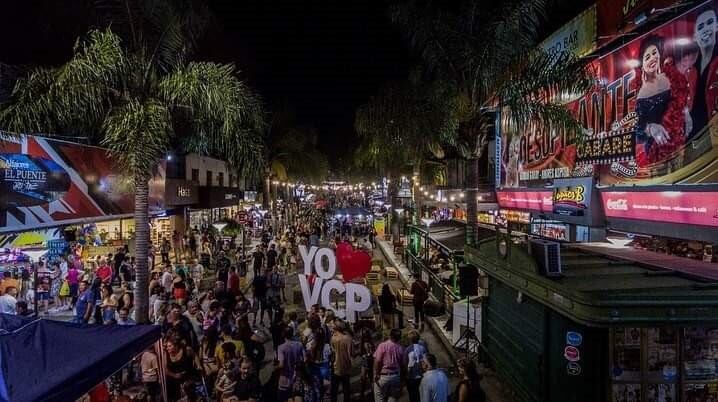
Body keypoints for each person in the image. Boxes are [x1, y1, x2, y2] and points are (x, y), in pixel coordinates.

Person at [633, 34, 689, 166]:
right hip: (655, 152)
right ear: (643, 64)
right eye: (647, 57)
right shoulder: (640, 92)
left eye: (654, 53)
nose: (652, 58)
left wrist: (686, 112)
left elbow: (683, 98)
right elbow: (637, 128)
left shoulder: (672, 76)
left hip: (682, 143)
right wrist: (650, 128)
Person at [373, 329, 405, 402]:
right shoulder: (400, 348)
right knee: (393, 398)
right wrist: (402, 378)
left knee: (379, 396)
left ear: (390, 336)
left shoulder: (382, 345)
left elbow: (377, 361)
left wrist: (376, 374)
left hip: (383, 376)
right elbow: (402, 365)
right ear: (399, 338)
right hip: (395, 376)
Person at [277, 327, 306, 402]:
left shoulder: (281, 348)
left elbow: (281, 365)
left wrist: (275, 368)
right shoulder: (299, 344)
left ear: (283, 334)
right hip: (296, 378)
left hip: (285, 380)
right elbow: (304, 359)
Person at [330, 320, 353, 402]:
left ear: (336, 328)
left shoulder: (333, 338)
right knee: (346, 389)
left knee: (334, 389)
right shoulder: (348, 338)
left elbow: (332, 352)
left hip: (336, 367)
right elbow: (351, 353)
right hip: (346, 366)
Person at [405, 330, 428, 402]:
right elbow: (426, 361)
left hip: (412, 376)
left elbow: (407, 364)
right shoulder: (423, 348)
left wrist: (406, 376)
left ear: (409, 339)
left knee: (413, 396)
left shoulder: (407, 350)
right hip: (421, 375)